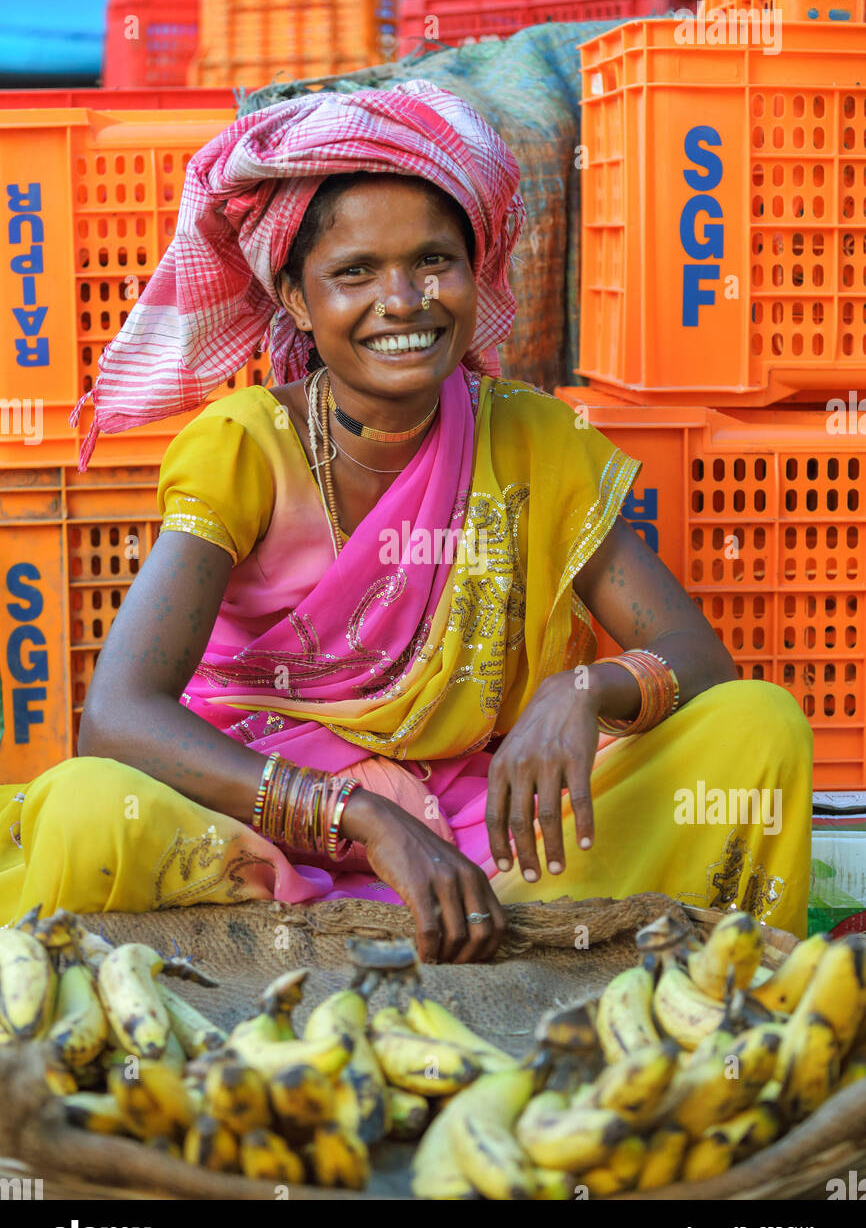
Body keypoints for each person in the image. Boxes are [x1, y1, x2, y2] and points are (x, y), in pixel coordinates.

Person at [0, 80, 813, 959]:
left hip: (482, 842)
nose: (404, 300)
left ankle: (684, 996)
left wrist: (584, 690)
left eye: (434, 261)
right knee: (84, 811)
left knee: (757, 729)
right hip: (248, 834)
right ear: (299, 301)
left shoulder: (534, 438)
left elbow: (701, 663)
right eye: (354, 272)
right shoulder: (247, 446)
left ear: (474, 274)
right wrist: (363, 818)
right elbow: (118, 715)